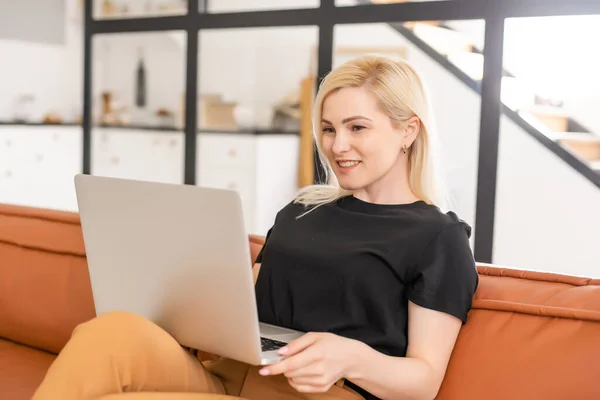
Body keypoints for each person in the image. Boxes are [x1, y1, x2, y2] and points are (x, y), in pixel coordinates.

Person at [33, 55, 478, 400]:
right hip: (232, 376)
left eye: (357, 127)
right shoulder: (302, 210)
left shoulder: (438, 238)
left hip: (322, 394)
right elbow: (238, 311)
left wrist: (352, 356)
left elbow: (424, 382)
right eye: (327, 129)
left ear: (408, 132)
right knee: (110, 331)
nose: (337, 146)